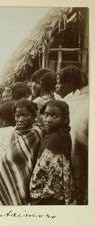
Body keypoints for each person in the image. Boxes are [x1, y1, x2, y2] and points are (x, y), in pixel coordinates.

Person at [0, 99, 42, 205]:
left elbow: (13, 156)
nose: (20, 119)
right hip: (8, 179)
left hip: (26, 181)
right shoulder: (12, 133)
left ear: (34, 117)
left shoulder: (36, 134)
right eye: (17, 116)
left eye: (25, 115)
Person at [30, 100, 75, 205]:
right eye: (46, 115)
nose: (48, 120)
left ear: (65, 119)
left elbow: (51, 171)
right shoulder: (62, 133)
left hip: (50, 196)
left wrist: (39, 200)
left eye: (55, 116)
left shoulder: (55, 139)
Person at [55, 66, 89, 205]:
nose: (56, 86)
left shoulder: (75, 104)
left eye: (59, 82)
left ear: (69, 84)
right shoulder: (72, 101)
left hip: (76, 157)